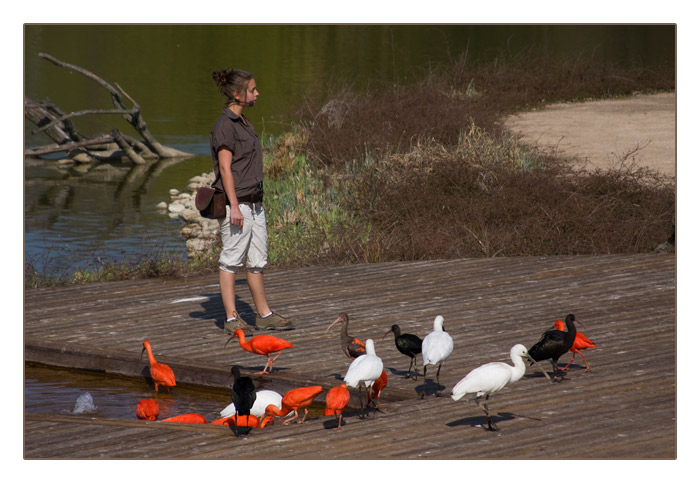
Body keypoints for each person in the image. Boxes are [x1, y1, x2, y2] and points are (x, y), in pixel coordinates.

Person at [210, 68, 294, 334]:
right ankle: (232, 319)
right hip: (239, 205)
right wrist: (234, 206)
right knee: (231, 260)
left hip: (256, 205)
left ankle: (264, 314)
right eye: (253, 89)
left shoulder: (244, 122)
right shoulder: (225, 126)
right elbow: (225, 169)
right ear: (238, 94)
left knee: (257, 259)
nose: (257, 93)